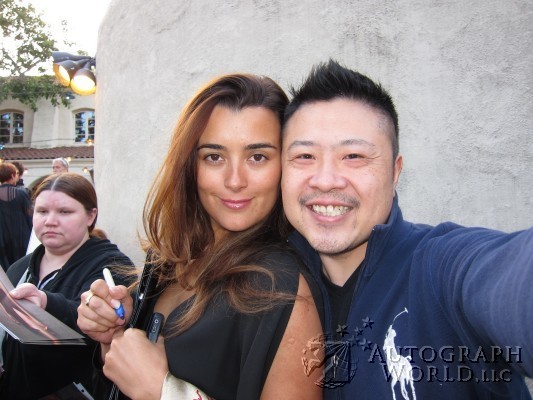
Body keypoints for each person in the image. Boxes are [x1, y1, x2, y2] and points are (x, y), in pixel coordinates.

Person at [281, 60, 533, 399]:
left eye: (353, 156)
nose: (325, 180)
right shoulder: (268, 287)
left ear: (395, 172)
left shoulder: (438, 269)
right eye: (304, 156)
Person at [77, 73, 324, 399]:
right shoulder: (166, 261)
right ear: (189, 166)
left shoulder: (282, 288)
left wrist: (164, 392)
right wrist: (114, 333)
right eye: (214, 157)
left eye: (257, 157)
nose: (234, 180)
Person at [0, 173, 135, 400]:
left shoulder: (112, 266)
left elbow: (97, 321)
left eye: (64, 212)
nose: (50, 221)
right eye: (42, 211)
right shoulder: (19, 268)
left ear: (91, 216)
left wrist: (46, 303)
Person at [0, 162, 32, 271]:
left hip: (2, 237)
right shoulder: (21, 193)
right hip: (20, 236)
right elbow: (29, 216)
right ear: (12, 175)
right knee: (21, 268)